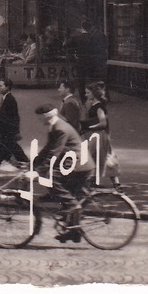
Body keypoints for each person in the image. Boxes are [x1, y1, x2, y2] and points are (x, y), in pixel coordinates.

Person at [33, 102, 88, 243]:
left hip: (78, 166)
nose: (38, 121)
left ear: (46, 117)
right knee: (63, 193)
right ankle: (74, 232)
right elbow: (47, 149)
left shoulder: (60, 128)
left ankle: (74, 207)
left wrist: (38, 171)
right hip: (73, 163)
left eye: (39, 118)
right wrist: (32, 164)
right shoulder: (55, 126)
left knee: (53, 179)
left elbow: (54, 153)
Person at [82, 81, 119, 188]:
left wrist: (89, 127)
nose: (86, 95)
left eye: (88, 93)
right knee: (99, 158)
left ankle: (115, 183)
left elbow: (103, 123)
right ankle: (97, 181)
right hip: (96, 136)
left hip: (99, 136)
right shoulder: (93, 105)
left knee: (102, 158)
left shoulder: (99, 107)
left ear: (93, 93)